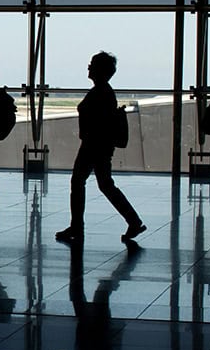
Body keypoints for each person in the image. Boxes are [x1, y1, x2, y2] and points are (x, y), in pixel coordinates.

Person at [55, 51, 146, 244]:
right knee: (104, 184)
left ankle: (78, 225)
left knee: (80, 182)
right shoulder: (104, 91)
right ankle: (133, 220)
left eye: (92, 64)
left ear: (99, 70)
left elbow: (95, 121)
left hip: (93, 145)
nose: (88, 67)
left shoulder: (100, 92)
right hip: (100, 146)